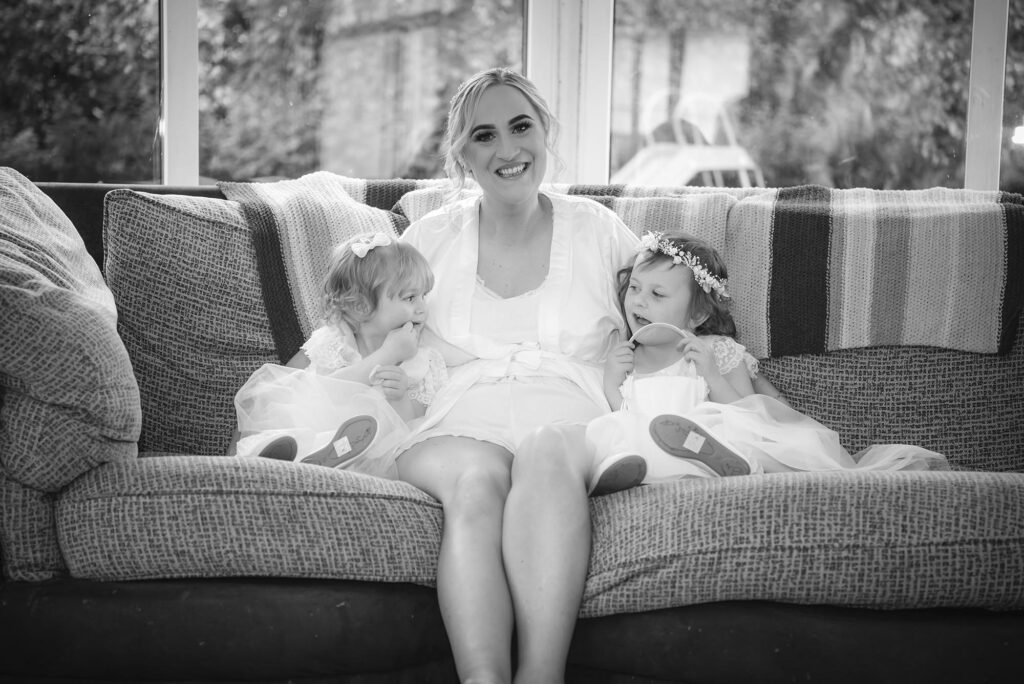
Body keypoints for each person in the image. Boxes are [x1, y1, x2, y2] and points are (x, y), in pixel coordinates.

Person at [394, 67, 789, 684]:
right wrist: (305, 382)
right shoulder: (429, 237)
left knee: (547, 457)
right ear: (462, 155)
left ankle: (540, 677)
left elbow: (672, 312)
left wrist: (767, 409)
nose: (508, 149)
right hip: (457, 416)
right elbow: (361, 321)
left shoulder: (597, 229)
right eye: (484, 135)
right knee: (477, 485)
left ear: (545, 133)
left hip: (570, 410)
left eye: (521, 127)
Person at [586, 230, 948, 494]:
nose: (639, 302)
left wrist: (711, 373)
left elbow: (748, 412)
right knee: (616, 433)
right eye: (634, 287)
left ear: (696, 315)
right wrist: (610, 384)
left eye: (657, 293)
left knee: (720, 432)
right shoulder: (627, 357)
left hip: (708, 442)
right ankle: (626, 472)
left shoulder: (711, 350)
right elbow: (625, 415)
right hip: (650, 445)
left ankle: (720, 463)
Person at [231, 232, 448, 478]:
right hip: (307, 426)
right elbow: (295, 385)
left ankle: (319, 466)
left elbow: (413, 428)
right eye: (410, 297)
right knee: (291, 433)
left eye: (423, 296)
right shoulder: (334, 341)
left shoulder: (421, 362)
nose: (422, 308)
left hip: (368, 453)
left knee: (364, 450)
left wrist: (400, 399)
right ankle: (267, 461)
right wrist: (387, 354)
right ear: (361, 307)